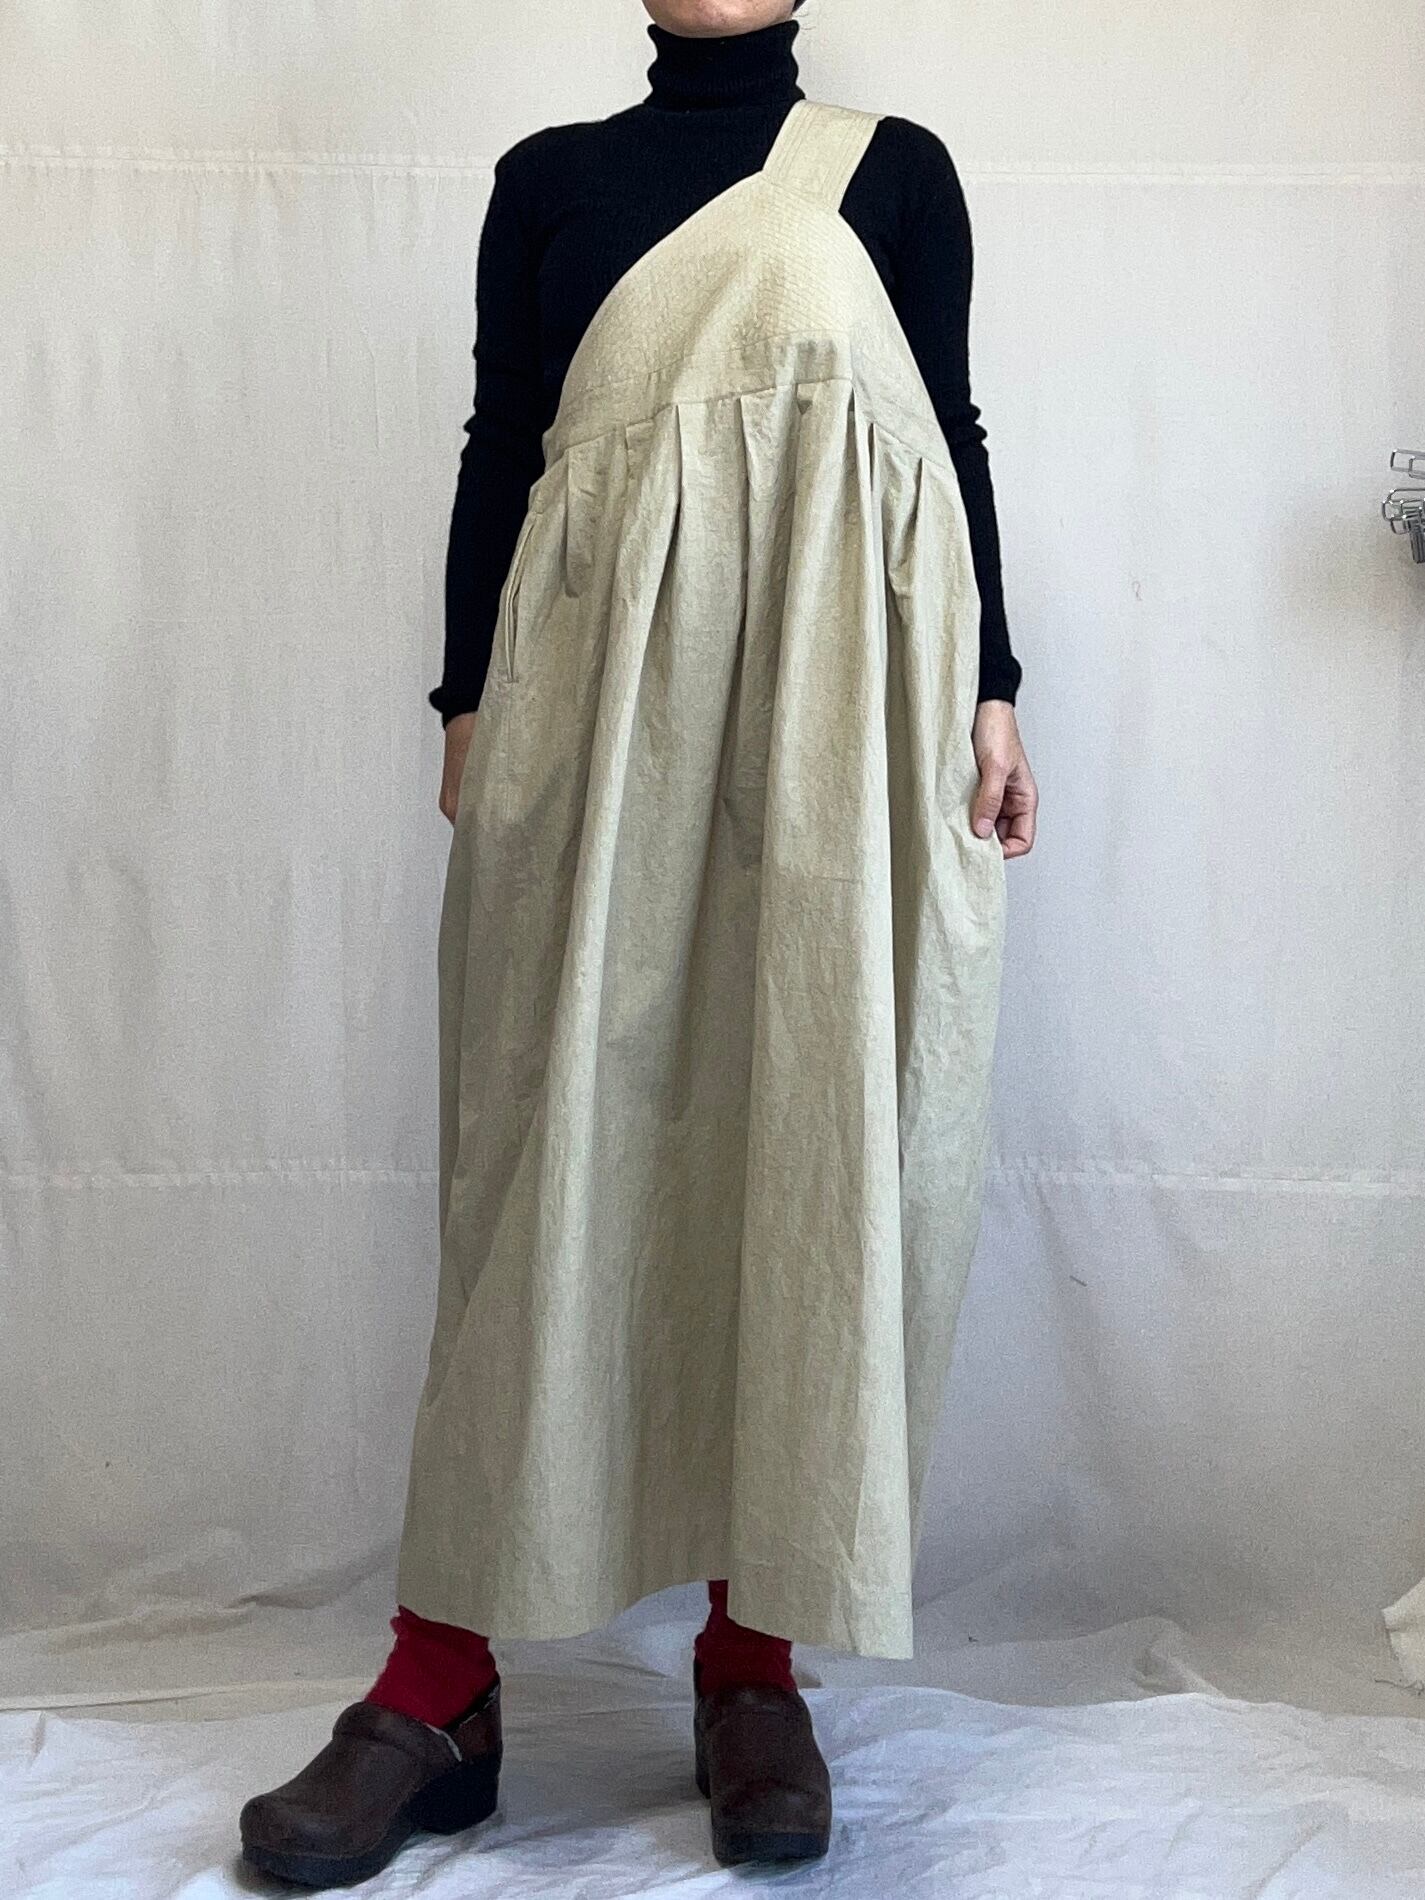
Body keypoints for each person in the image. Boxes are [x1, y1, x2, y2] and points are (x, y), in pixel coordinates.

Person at [239, 0, 1039, 1884]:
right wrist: (465, 702)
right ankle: (439, 1683)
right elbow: (503, 444)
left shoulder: (893, 174)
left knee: (806, 1132)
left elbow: (943, 431)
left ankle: (751, 1663)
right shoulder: (551, 181)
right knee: (543, 1151)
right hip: (591, 711)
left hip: (838, 706)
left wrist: (994, 688)